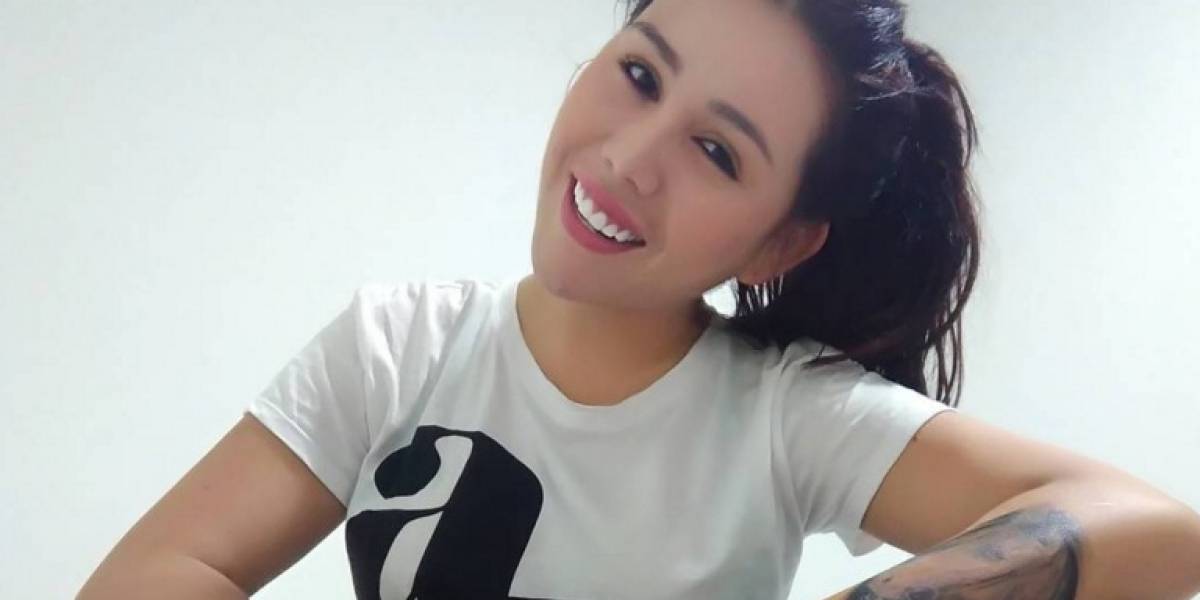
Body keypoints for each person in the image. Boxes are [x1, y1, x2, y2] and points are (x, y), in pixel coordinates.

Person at [77, 0, 1200, 599]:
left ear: (780, 240)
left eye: (717, 151)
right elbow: (157, 572)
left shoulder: (786, 416)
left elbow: (1153, 529)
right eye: (640, 73)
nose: (626, 158)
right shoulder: (398, 344)